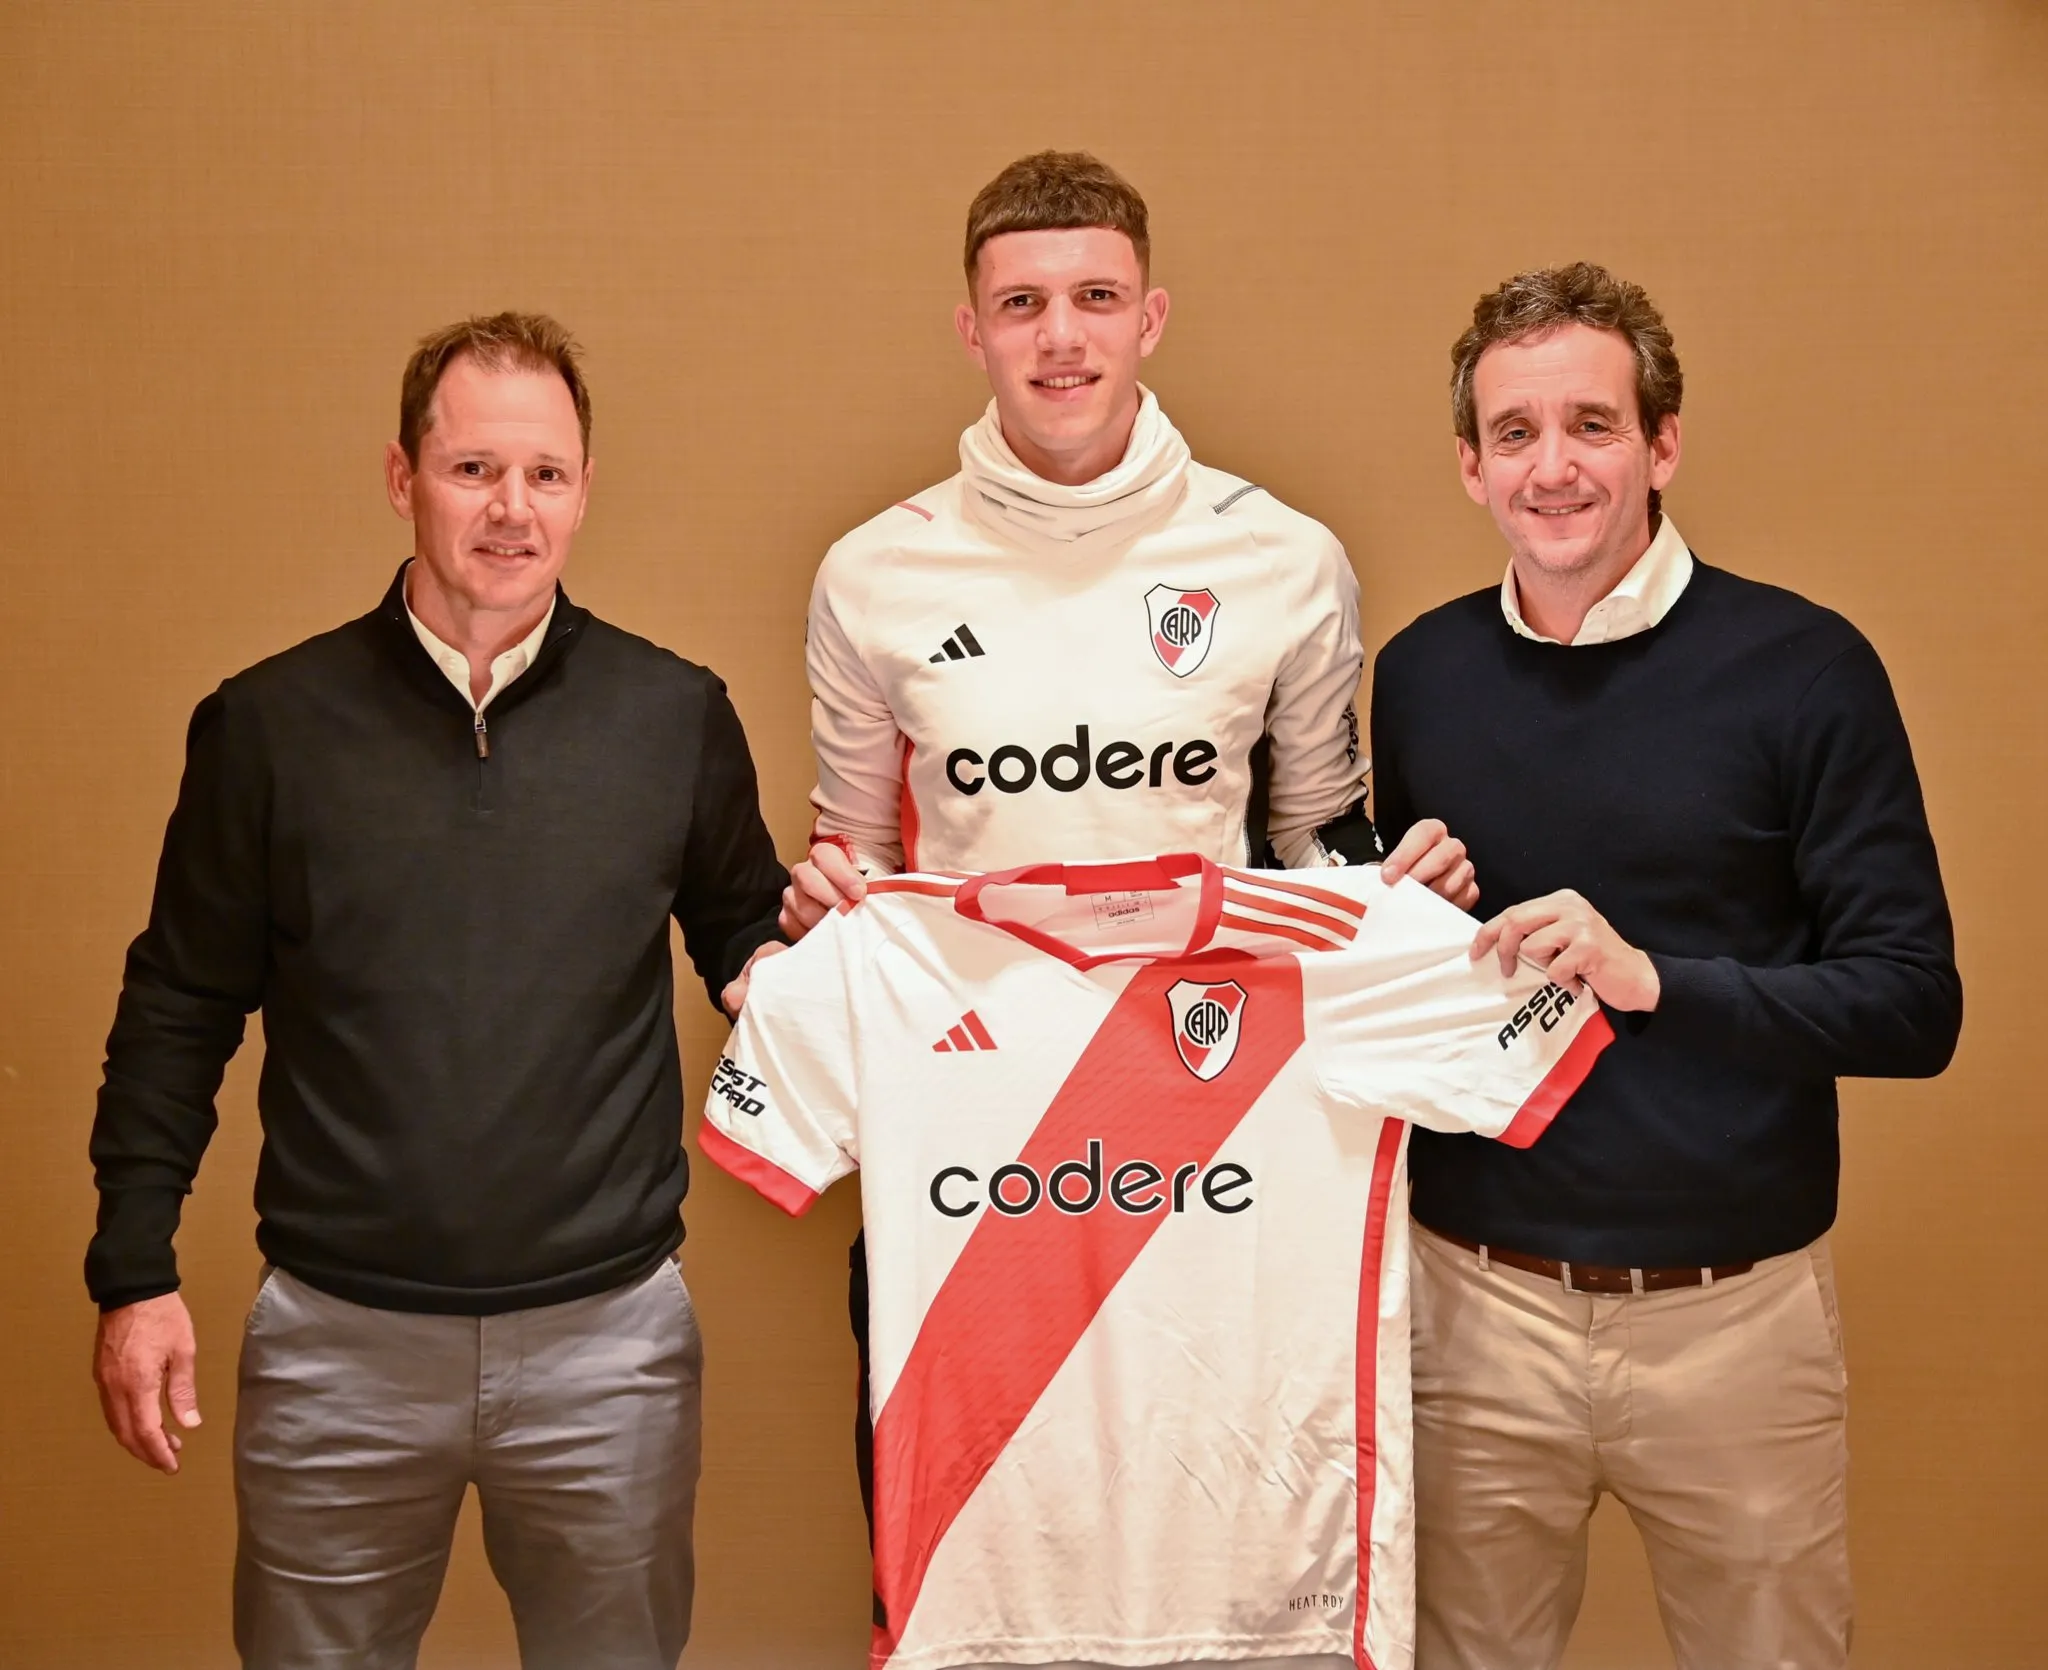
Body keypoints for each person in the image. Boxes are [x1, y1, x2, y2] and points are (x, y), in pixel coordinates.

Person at [760, 156, 1475, 1619]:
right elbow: (860, 864)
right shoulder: (870, 573)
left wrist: (1394, 888)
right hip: (969, 1164)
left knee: (1215, 1554)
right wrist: (824, 910)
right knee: (969, 1579)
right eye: (1021, 305)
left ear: (1152, 316)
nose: (1060, 337)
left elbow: (1315, 846)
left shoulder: (1284, 557)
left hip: (1212, 1157)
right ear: (971, 329)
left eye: (1092, 299)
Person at [85, 312, 787, 1670]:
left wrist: (822, 970)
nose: (510, 509)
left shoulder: (674, 714)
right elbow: (177, 1001)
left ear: (585, 488)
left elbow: (745, 937)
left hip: (611, 1350)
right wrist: (135, 1267)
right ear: (401, 476)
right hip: (338, 1349)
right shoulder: (269, 727)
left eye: (545, 474)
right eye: (472, 469)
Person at [1369, 262, 1963, 1670]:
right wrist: (1412, 905)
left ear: (1663, 443)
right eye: (1515, 433)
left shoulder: (1807, 670)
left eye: (1593, 424)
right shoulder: (1420, 674)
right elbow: (1404, 980)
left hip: (1736, 1323)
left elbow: (1913, 1001)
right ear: (1469, 464)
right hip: (1472, 1308)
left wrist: (1653, 979)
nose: (1554, 466)